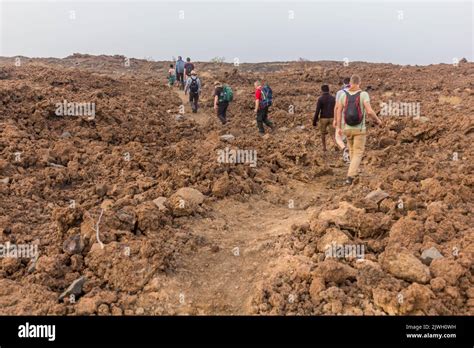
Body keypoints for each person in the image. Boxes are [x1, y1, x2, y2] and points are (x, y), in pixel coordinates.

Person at [335, 74, 382, 185]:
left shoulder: (343, 95)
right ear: (359, 83)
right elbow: (369, 111)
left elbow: (338, 110)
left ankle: (353, 172)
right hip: (359, 130)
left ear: (350, 83)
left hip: (347, 129)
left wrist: (338, 127)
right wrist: (378, 120)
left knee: (352, 151)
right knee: (358, 153)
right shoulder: (363, 94)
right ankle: (350, 177)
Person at [313, 84, 336, 152]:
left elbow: (317, 110)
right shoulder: (333, 98)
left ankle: (324, 148)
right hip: (332, 117)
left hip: (323, 118)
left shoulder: (320, 99)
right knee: (333, 134)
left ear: (322, 90)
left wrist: (314, 121)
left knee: (323, 133)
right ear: (329, 90)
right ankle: (335, 145)